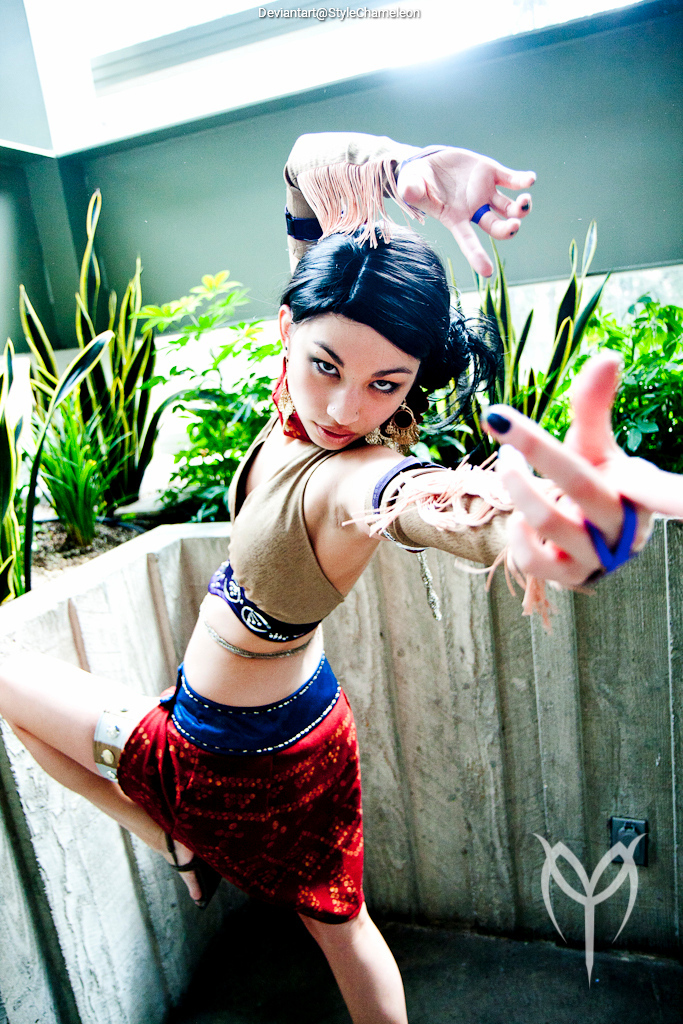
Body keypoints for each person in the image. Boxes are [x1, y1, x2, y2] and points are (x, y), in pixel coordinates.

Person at [0, 132, 681, 1024]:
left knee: (338, 925)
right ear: (287, 329)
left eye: (384, 386)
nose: (342, 408)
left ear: (407, 389)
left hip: (230, 758)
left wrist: (539, 524)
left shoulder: (356, 473)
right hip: (303, 728)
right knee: (341, 921)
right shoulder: (300, 402)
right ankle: (172, 833)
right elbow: (300, 165)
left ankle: (172, 831)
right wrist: (400, 169)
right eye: (326, 366)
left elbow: (428, 500)